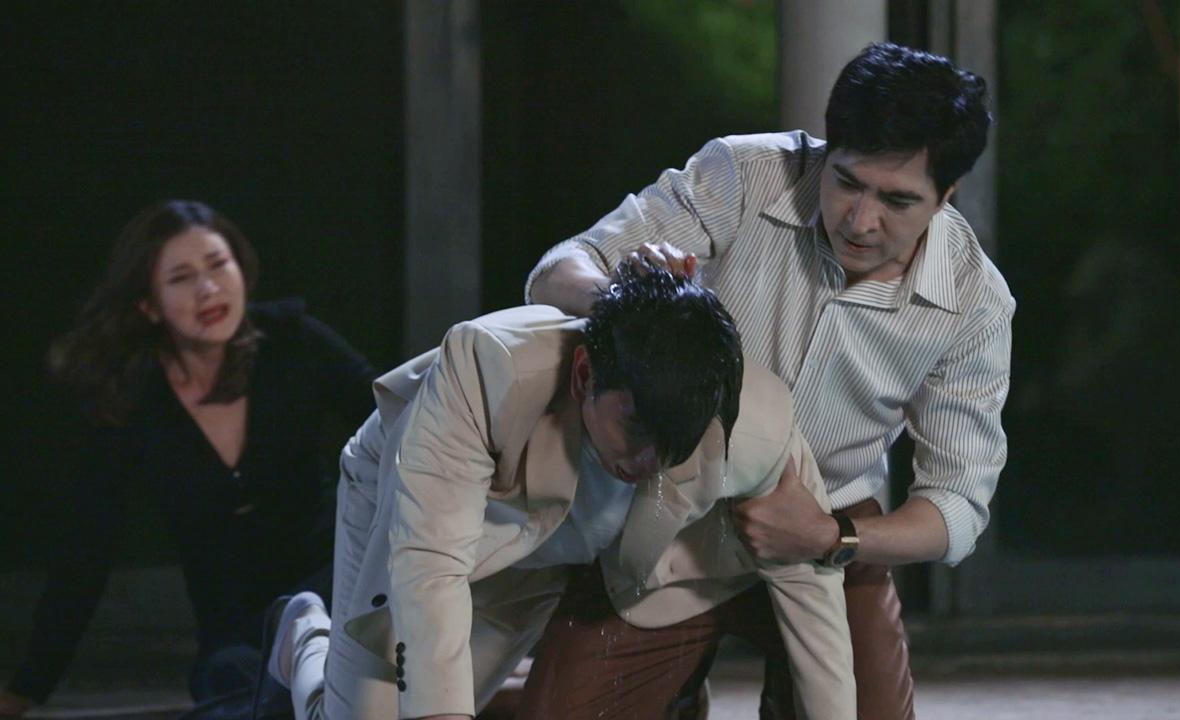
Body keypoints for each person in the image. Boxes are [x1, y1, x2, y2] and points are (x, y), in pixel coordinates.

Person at [525, 43, 1015, 719]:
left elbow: (956, 507)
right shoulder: (744, 174)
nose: (860, 220)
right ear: (827, 151)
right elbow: (556, 272)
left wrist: (830, 536)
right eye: (847, 182)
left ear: (946, 196)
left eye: (898, 200)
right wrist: (630, 300)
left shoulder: (975, 303)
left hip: (827, 525)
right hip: (666, 507)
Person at [266, 266, 855, 719]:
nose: (649, 464)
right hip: (413, 501)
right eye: (637, 430)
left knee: (437, 692)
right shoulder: (486, 370)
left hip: (548, 553)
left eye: (677, 444)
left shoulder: (756, 425)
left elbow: (812, 595)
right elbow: (430, 568)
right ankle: (307, 636)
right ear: (583, 375)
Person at [0, 201, 377, 716]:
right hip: (239, 634)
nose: (209, 289)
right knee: (235, 686)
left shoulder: (294, 341)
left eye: (219, 265)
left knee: (343, 663)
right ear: (149, 305)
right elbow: (87, 549)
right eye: (181, 278)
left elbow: (400, 422)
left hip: (333, 589)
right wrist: (27, 688)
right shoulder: (133, 399)